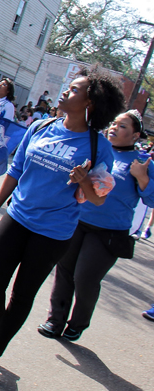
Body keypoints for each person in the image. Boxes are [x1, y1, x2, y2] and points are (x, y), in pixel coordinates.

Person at [0, 68, 124, 384]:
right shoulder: (41, 127)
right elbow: (15, 172)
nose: (66, 92)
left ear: (90, 103)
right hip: (18, 218)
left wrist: (85, 181)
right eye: (68, 88)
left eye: (75, 90)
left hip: (53, 233)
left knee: (22, 295)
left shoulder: (98, 147)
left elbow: (97, 200)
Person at [38, 110, 154, 341]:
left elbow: (151, 200)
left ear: (135, 135)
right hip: (76, 220)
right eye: (113, 123)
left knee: (85, 277)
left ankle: (78, 323)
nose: (113, 128)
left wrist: (142, 178)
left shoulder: (141, 162)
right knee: (64, 272)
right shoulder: (97, 148)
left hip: (109, 231)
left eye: (122, 126)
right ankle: (55, 320)